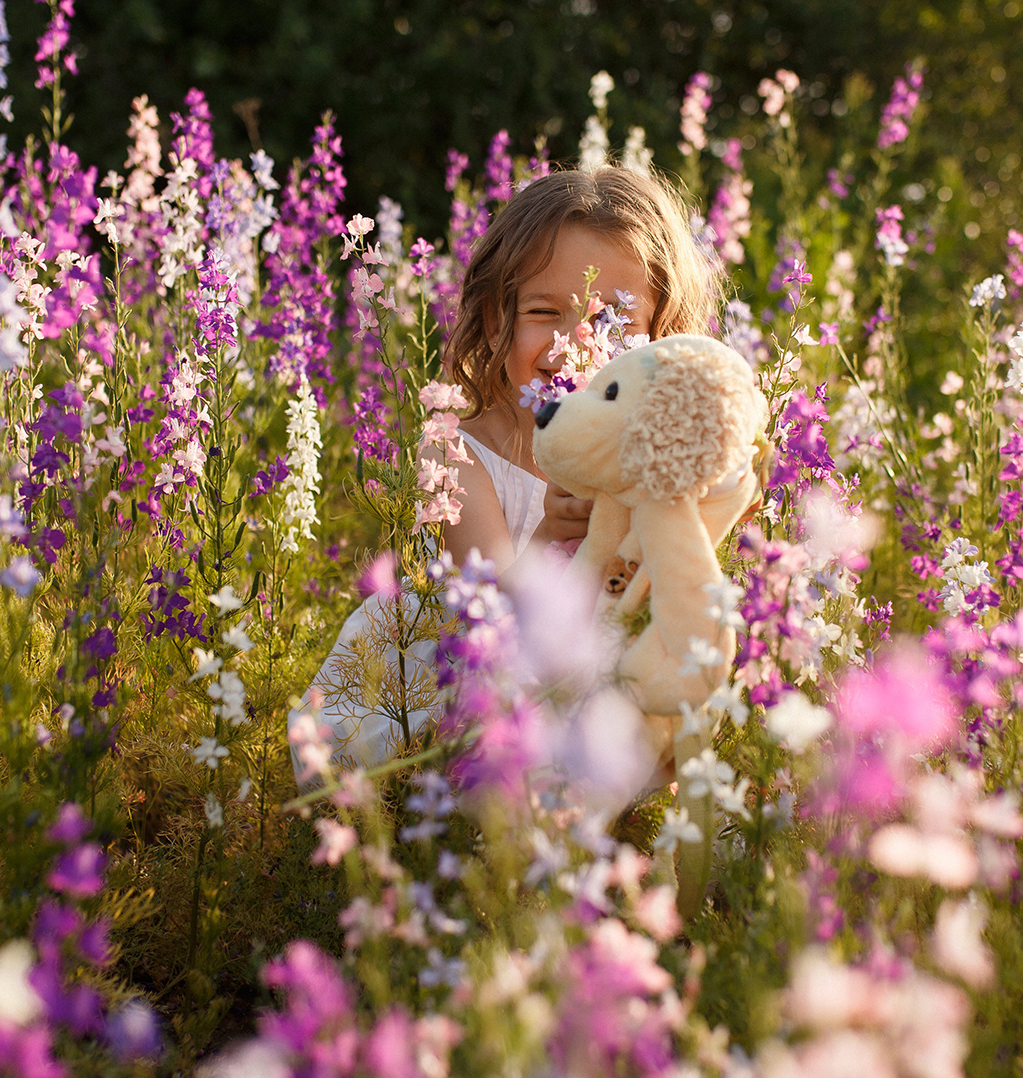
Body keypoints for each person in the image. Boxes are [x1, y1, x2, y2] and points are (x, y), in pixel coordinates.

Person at [304, 164, 727, 766]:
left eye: (614, 321)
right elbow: (496, 627)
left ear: (662, 336)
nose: (576, 345)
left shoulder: (651, 456)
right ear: (496, 319)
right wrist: (554, 532)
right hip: (449, 696)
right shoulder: (453, 450)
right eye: (543, 312)